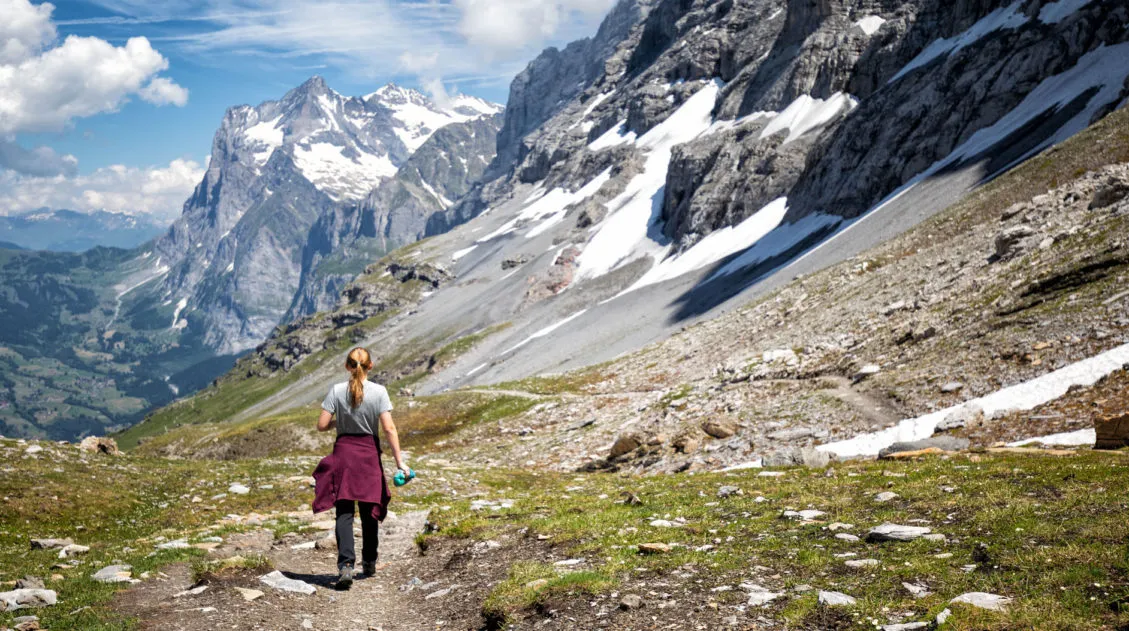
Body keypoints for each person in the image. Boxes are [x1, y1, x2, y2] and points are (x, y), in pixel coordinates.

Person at [311, 347, 408, 590]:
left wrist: (340, 421)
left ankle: (345, 565)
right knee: (369, 510)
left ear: (347, 366)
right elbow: (389, 429)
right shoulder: (379, 392)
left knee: (344, 511)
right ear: (370, 366)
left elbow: (322, 425)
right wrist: (400, 462)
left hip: (344, 453)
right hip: (368, 455)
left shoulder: (336, 390)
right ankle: (370, 561)